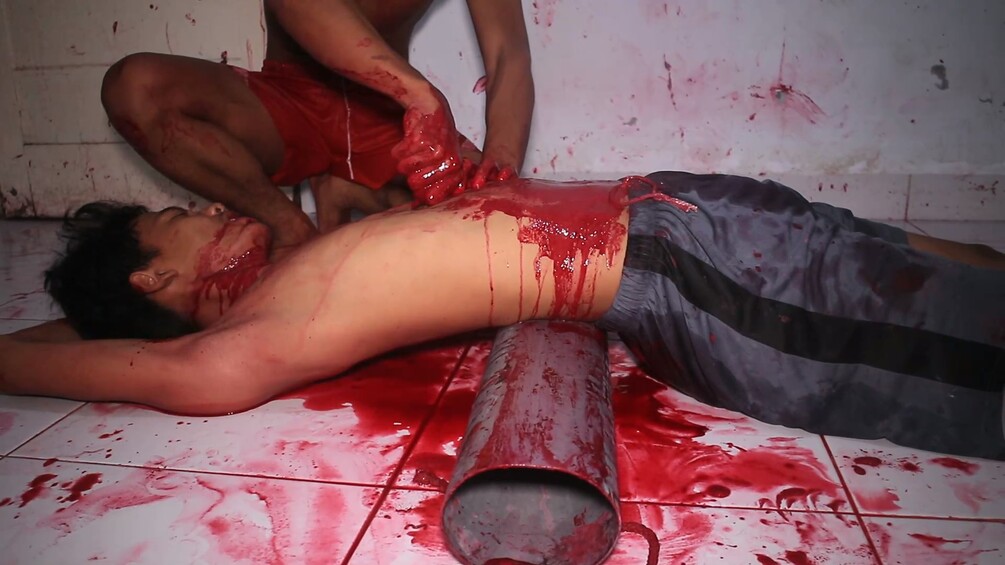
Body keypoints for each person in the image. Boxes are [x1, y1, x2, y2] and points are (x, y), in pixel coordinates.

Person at [1, 172, 1003, 459]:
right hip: (689, 274)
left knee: (933, 271)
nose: (211, 206)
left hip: (693, 225)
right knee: (953, 338)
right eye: (181, 216)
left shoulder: (296, 263)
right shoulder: (246, 344)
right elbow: (122, 365)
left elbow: (96, 339)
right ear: (152, 281)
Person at [99, 0, 534, 248]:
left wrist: (499, 167)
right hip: (291, 101)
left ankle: (354, 188)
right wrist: (419, 95)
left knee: (494, 228)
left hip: (383, 116)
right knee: (136, 89)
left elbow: (507, 54)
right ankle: (290, 228)